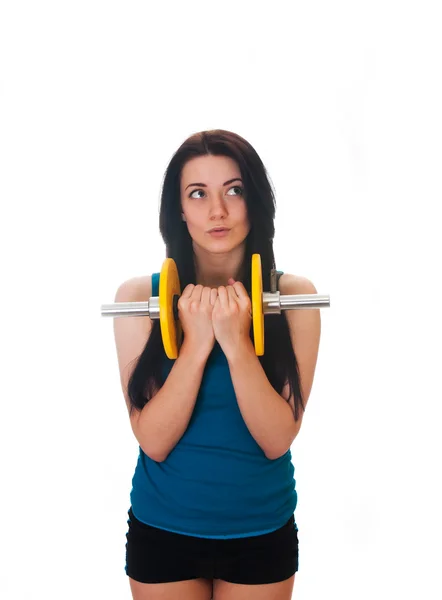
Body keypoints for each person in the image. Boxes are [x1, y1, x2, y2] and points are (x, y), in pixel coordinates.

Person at [113, 129, 321, 600]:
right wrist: (196, 342)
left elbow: (276, 438)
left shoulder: (294, 298)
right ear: (179, 210)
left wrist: (235, 339)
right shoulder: (135, 298)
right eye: (198, 193)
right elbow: (154, 440)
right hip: (162, 528)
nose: (218, 211)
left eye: (234, 190)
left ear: (255, 200)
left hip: (260, 530)